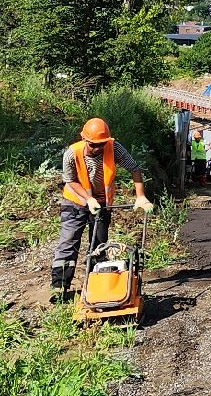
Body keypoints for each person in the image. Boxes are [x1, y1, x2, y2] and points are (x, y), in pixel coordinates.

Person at [54, 117, 153, 303]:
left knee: (99, 244)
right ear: (84, 139)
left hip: (102, 204)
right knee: (68, 241)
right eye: (93, 145)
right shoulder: (71, 153)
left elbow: (134, 168)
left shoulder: (113, 148)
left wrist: (140, 196)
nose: (97, 148)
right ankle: (59, 287)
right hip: (74, 201)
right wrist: (88, 198)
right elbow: (70, 180)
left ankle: (97, 286)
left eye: (101, 144)